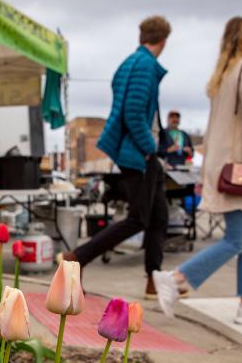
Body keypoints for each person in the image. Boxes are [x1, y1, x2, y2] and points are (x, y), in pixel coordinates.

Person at [152, 16, 242, 324]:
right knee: (237, 239)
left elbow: (213, 131)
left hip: (224, 166)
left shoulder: (225, 74)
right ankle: (177, 278)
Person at [59, 16, 171, 297]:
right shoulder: (144, 66)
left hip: (138, 153)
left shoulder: (130, 63)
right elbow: (133, 114)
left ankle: (154, 281)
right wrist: (149, 149)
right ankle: (78, 257)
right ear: (164, 40)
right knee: (139, 218)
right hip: (139, 154)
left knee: (158, 217)